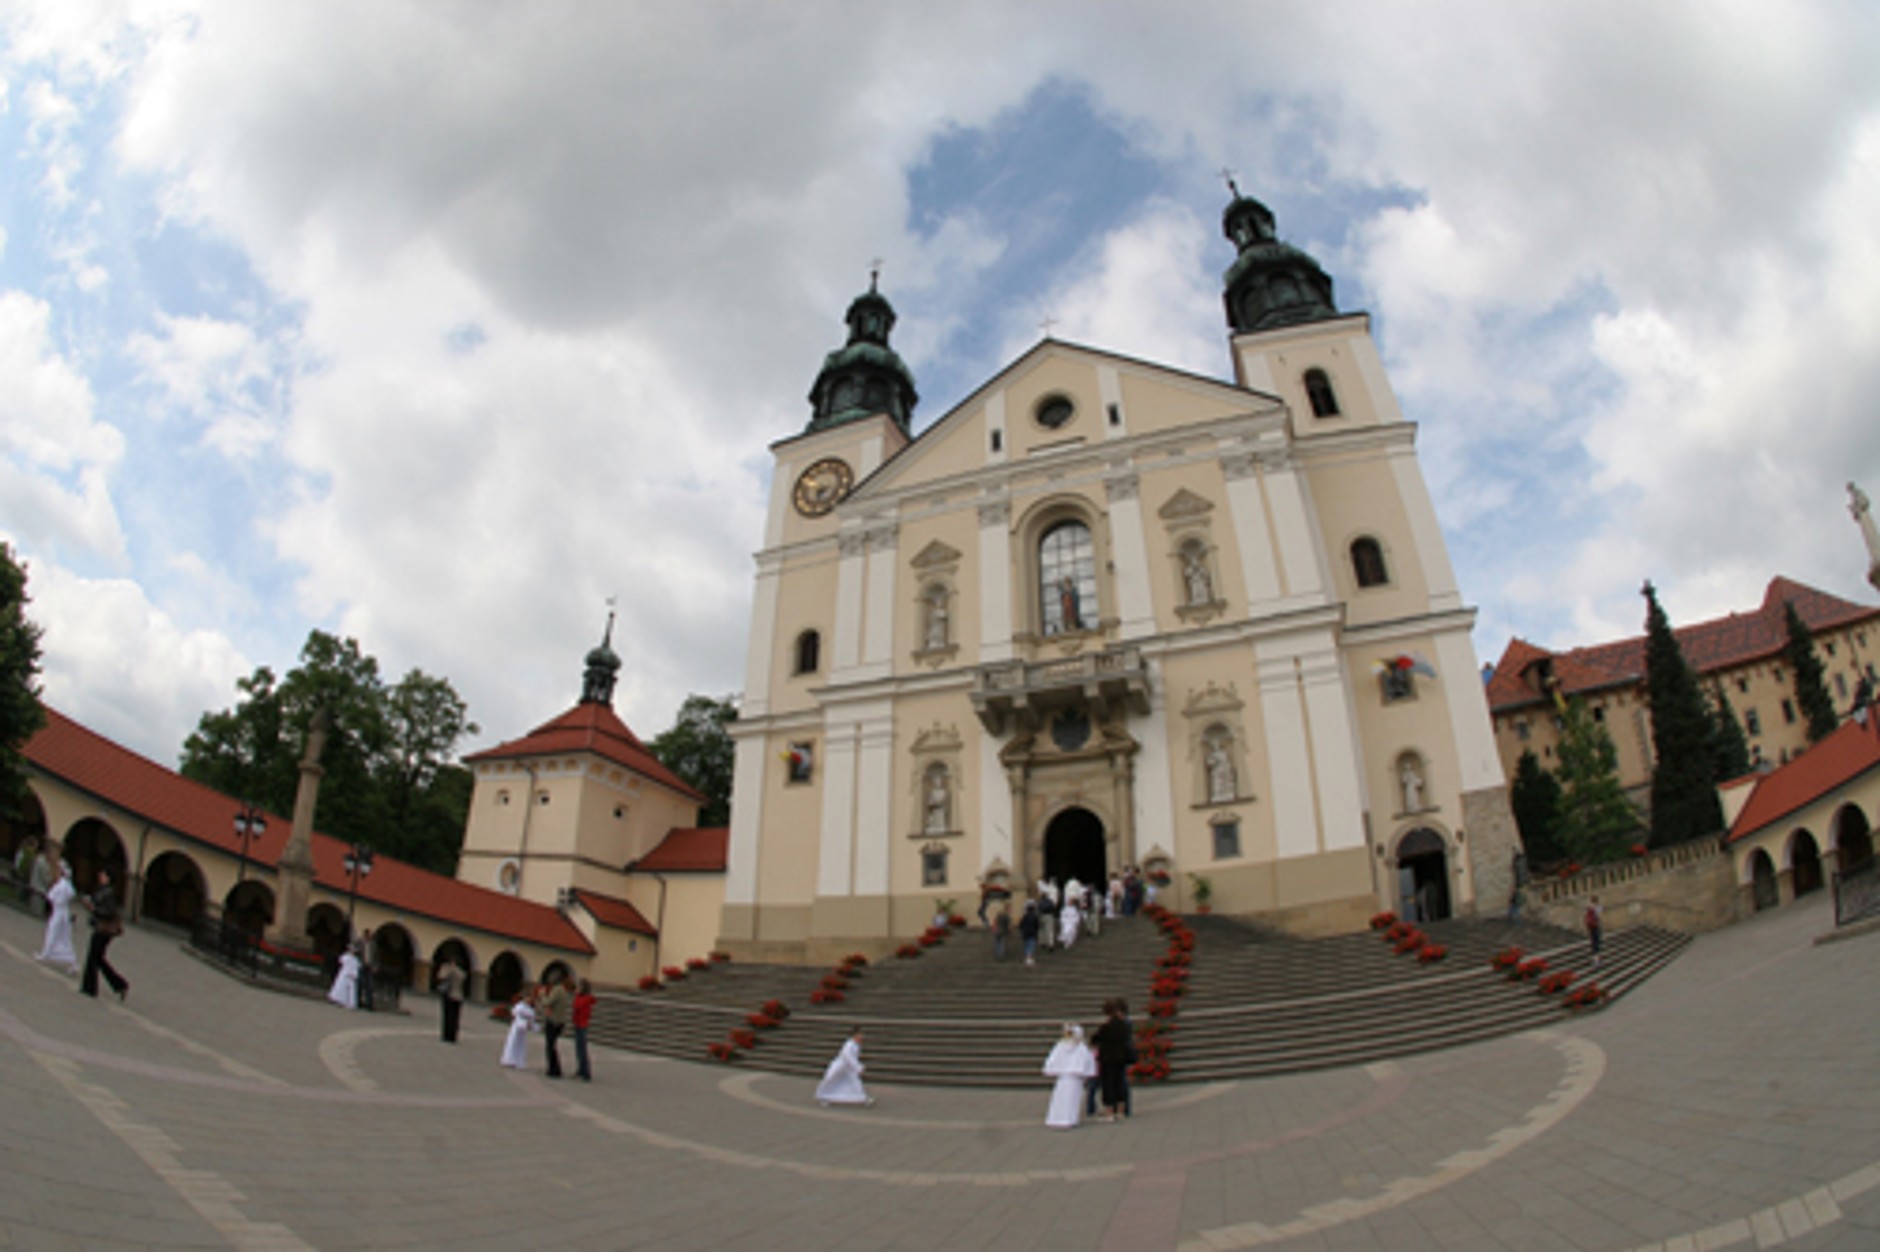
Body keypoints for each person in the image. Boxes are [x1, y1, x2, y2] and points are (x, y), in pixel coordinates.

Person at [79, 869, 129, 1000]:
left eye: (103, 875)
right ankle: (119, 984)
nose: (100, 876)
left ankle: (91, 987)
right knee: (98, 958)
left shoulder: (109, 893)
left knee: (94, 957)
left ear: (108, 878)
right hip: (100, 926)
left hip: (104, 929)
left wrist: (94, 909)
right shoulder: (103, 890)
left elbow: (109, 912)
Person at [1042, 1024, 1098, 1129]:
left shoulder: (1061, 1046)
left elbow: (1052, 1060)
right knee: (1072, 1099)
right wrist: (1086, 1072)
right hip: (1075, 1078)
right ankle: (1069, 1119)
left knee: (1060, 1099)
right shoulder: (1081, 1048)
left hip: (1063, 1078)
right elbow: (1088, 1062)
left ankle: (1056, 1118)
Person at [1091, 999, 1134, 1122]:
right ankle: (1121, 1110)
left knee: (1108, 1084)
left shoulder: (1106, 1027)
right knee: (1119, 1082)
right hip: (1121, 1058)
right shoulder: (1124, 1025)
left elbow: (1096, 1039)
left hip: (1108, 1059)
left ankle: (1109, 1111)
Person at [35, 860, 79, 973]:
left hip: (59, 912)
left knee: (54, 933)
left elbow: (52, 897)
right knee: (62, 936)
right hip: (62, 912)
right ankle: (49, 954)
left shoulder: (62, 885)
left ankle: (48, 954)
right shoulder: (66, 885)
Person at [815, 1027, 873, 1107]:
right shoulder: (849, 1044)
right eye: (860, 1035)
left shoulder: (856, 1045)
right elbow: (848, 1056)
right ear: (855, 1035)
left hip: (848, 1068)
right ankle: (823, 1096)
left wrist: (856, 1066)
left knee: (855, 1082)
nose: (862, 1037)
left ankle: (862, 1098)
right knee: (831, 1079)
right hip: (841, 1066)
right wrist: (858, 1066)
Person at [542, 973, 572, 1078]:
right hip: (560, 1022)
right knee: (552, 1045)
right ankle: (555, 1068)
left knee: (550, 1046)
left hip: (553, 1021)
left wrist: (542, 996)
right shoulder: (564, 991)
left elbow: (549, 1002)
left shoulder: (557, 990)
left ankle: (553, 1069)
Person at [499, 990, 537, 1069]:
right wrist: (523, 1022)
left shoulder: (530, 1008)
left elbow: (532, 1017)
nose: (529, 1000)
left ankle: (518, 1060)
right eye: (528, 998)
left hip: (523, 1029)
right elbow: (515, 1015)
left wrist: (531, 1024)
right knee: (513, 1042)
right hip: (517, 1026)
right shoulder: (519, 1006)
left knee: (521, 1044)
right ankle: (509, 1059)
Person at [435, 954, 466, 1043]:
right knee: (455, 1017)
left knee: (448, 1016)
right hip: (459, 996)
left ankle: (447, 1035)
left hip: (450, 994)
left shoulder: (450, 969)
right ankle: (453, 1036)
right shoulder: (462, 972)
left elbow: (441, 976)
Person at [572, 978, 596, 1082]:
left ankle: (586, 1072)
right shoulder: (582, 997)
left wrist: (577, 995)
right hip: (578, 1023)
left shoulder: (585, 998)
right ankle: (580, 1069)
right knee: (578, 1049)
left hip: (582, 1025)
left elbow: (577, 1005)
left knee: (582, 1049)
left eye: (578, 987)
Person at [328, 946, 362, 1010]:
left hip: (350, 974)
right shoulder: (347, 957)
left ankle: (347, 1002)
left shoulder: (355, 960)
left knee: (349, 989)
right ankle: (338, 998)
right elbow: (341, 961)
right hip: (345, 973)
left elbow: (356, 968)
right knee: (341, 986)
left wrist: (354, 974)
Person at [1019, 900, 1041, 967]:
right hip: (1032, 933)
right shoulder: (1035, 916)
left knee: (1026, 945)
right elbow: (1037, 925)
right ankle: (1029, 958)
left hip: (1025, 933)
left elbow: (1021, 925)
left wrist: (1022, 930)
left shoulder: (1025, 916)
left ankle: (1027, 958)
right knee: (1031, 945)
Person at [1585, 895, 1604, 968]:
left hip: (1591, 927)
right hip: (1596, 926)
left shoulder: (1589, 908)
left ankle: (1596, 959)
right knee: (1597, 943)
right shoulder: (1598, 907)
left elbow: (1587, 917)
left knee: (1594, 943)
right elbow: (1599, 917)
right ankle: (1597, 960)